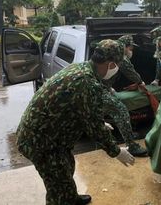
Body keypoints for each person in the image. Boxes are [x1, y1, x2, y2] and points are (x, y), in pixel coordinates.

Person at [16, 39, 135, 205]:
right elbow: (93, 128)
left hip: (50, 134)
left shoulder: (83, 68)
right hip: (41, 140)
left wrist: (99, 122)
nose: (117, 69)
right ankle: (64, 199)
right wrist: (116, 151)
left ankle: (71, 198)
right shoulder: (86, 82)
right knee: (58, 185)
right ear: (110, 64)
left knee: (66, 167)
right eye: (117, 64)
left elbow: (84, 109)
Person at [101, 35, 148, 156]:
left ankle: (120, 136)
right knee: (120, 111)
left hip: (101, 87)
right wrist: (140, 82)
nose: (131, 51)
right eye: (131, 48)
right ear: (126, 47)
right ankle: (131, 145)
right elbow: (129, 70)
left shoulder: (109, 53)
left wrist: (108, 87)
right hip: (98, 90)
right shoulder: (120, 56)